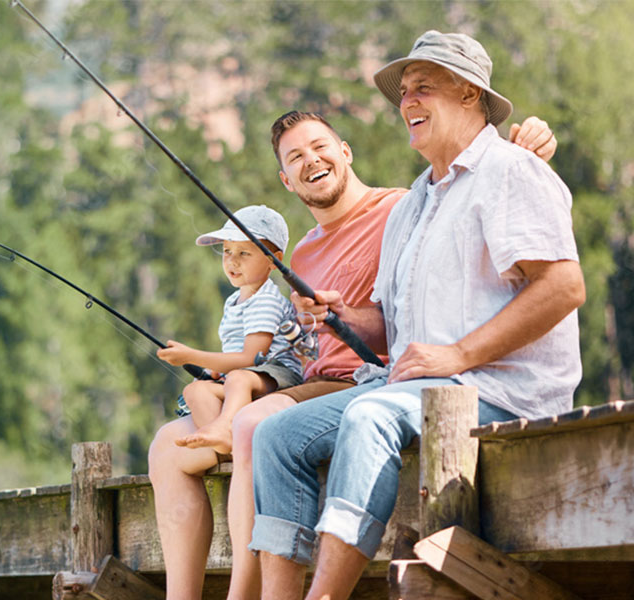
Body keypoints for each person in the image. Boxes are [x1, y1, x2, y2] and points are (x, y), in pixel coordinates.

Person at [145, 107, 557, 599]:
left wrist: (527, 148)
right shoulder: (302, 254)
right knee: (166, 447)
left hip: (364, 383)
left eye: (320, 147)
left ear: (345, 151)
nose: (310, 161)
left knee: (253, 426)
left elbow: (463, 209)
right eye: (295, 157)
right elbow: (305, 341)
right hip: (308, 384)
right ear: (286, 181)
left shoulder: (401, 210)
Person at [248, 31, 585, 600]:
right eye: (403, 92)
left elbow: (563, 286)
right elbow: (394, 327)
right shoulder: (413, 204)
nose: (406, 103)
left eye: (423, 88)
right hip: (419, 387)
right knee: (275, 435)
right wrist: (341, 316)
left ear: (471, 94)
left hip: (499, 390)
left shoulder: (511, 171)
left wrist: (459, 354)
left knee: (369, 417)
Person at [156, 205, 305, 454]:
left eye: (244, 253)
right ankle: (226, 446)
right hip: (246, 376)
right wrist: (213, 371)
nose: (232, 261)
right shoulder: (234, 301)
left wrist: (190, 356)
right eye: (227, 251)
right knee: (195, 390)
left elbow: (251, 358)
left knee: (237, 378)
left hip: (277, 376)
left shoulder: (265, 299)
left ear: (274, 260)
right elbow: (234, 352)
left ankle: (226, 429)